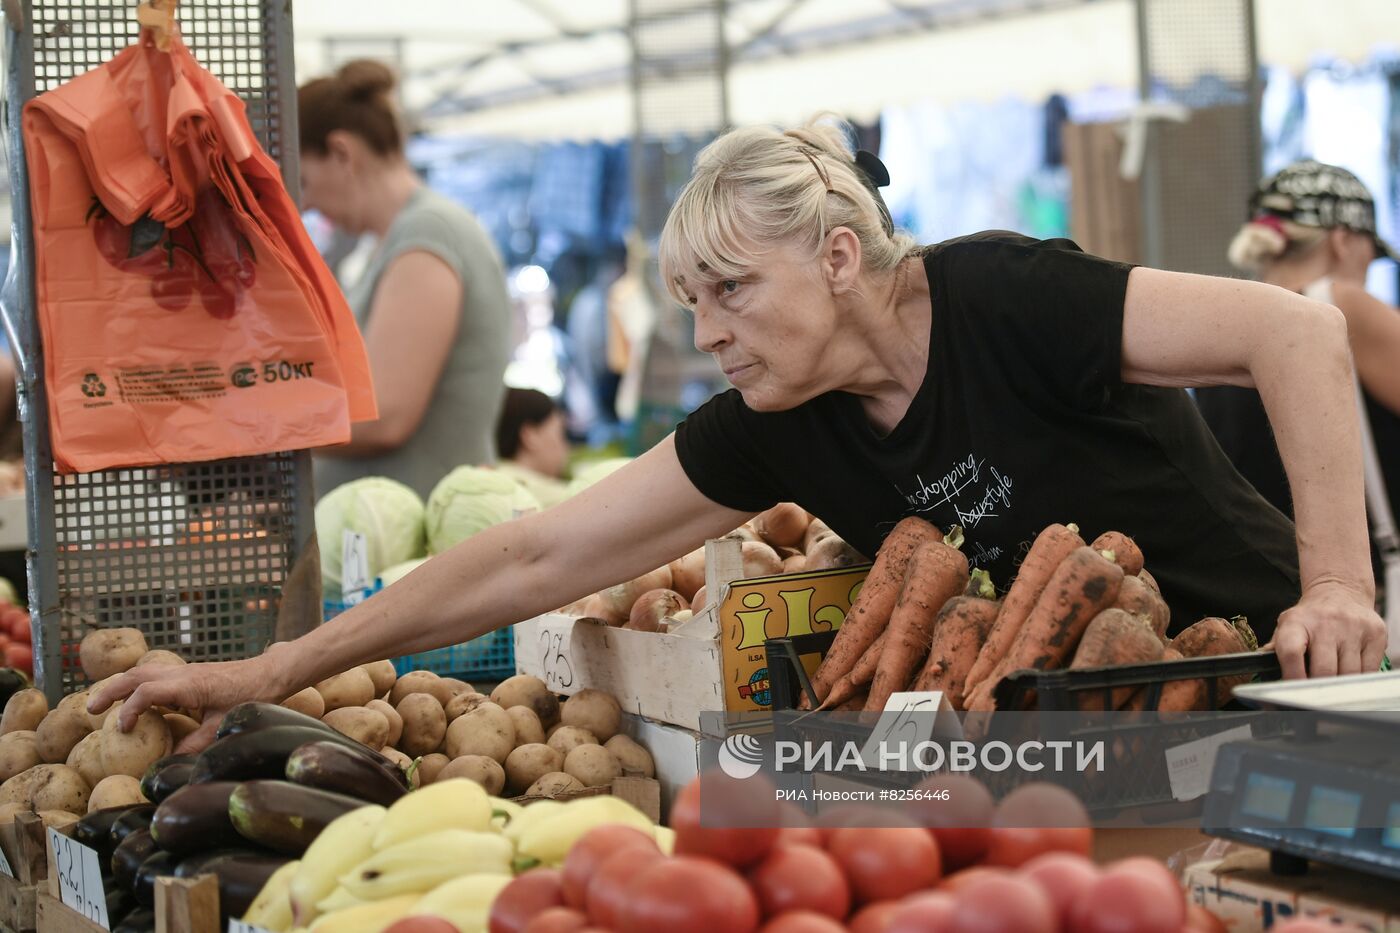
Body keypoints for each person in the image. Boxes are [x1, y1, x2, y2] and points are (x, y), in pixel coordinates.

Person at [93, 121, 1386, 749]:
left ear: (836, 258)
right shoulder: (774, 424)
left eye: (731, 290)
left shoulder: (1004, 294)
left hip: (1287, 686)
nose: (705, 330)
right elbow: (531, 561)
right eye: (688, 302)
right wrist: (277, 670)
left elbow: (1300, 334)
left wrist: (1337, 582)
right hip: (1092, 742)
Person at [300, 60, 512, 500]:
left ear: (342, 153)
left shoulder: (428, 232)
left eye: (306, 181)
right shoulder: (395, 240)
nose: (308, 203)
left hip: (416, 540)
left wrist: (261, 433)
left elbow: (385, 416)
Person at [1196, 161, 1400, 525]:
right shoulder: (1343, 308)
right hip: (1360, 573)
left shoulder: (1217, 326)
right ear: (1343, 241)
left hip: (1267, 570)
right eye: (1371, 254)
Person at [494, 387, 572, 508]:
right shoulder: (562, 499)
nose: (567, 446)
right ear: (530, 436)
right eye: (561, 433)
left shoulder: (485, 479)